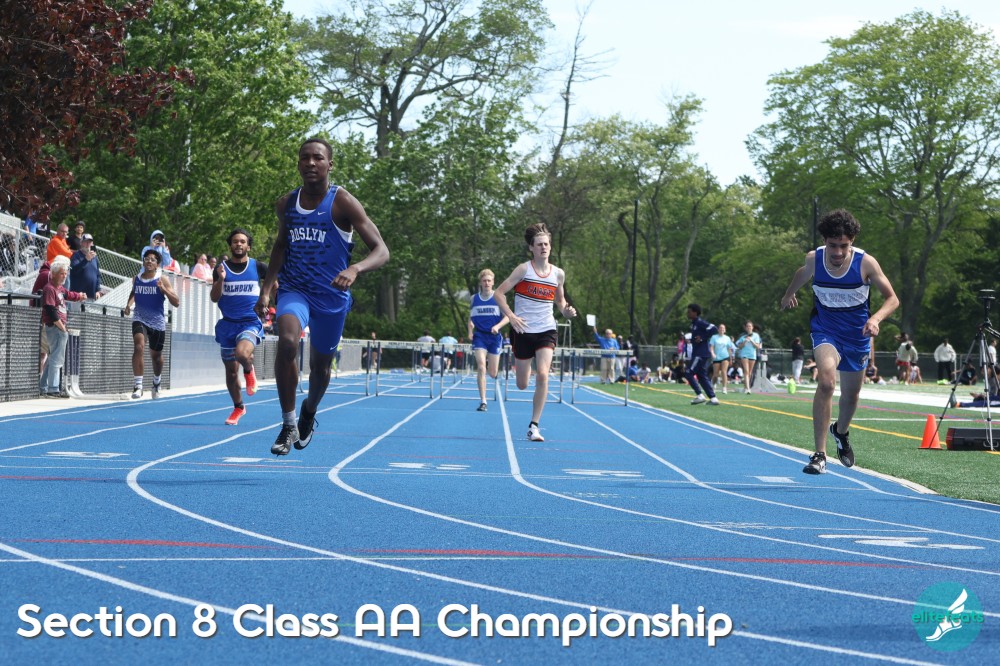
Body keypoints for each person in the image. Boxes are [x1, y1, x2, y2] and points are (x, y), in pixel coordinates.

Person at [255, 137, 390, 456]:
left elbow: (382, 250)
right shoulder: (286, 204)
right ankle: (288, 423)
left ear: (330, 164)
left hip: (331, 297)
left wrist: (355, 268)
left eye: (317, 157)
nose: (311, 163)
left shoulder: (342, 202)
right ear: (298, 164)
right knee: (288, 343)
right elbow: (280, 246)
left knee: (320, 369)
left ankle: (309, 411)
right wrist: (266, 289)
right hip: (295, 290)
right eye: (305, 157)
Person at [780, 208, 899, 475]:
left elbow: (893, 299)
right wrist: (789, 294)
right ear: (825, 241)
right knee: (826, 382)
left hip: (857, 335)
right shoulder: (814, 259)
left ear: (852, 241)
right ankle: (819, 454)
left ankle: (841, 431)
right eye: (832, 245)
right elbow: (801, 273)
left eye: (843, 246)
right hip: (826, 330)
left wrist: (876, 319)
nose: (837, 252)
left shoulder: (866, 263)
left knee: (851, 394)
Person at [493, 222, 576, 442]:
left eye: (546, 244)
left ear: (550, 246)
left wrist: (566, 312)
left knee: (543, 374)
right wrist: (511, 316)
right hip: (522, 330)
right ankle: (523, 366)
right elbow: (498, 293)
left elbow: (560, 301)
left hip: (546, 329)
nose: (543, 247)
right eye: (539, 244)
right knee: (522, 384)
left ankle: (534, 426)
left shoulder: (558, 274)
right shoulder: (523, 270)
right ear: (531, 247)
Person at [211, 228, 270, 425]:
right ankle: (238, 407)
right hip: (228, 324)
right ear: (230, 245)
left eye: (242, 241)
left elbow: (274, 282)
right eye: (235, 241)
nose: (239, 244)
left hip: (250, 321)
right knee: (230, 372)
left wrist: (266, 298)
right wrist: (221, 279)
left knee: (242, 354)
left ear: (248, 246)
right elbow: (214, 297)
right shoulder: (220, 268)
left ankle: (249, 371)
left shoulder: (258, 266)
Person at [124, 249, 181, 399]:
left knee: (156, 357)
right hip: (140, 318)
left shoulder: (162, 279)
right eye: (147, 259)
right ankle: (138, 385)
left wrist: (164, 290)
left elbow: (176, 302)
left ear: (157, 264)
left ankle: (156, 381)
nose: (149, 261)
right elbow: (134, 292)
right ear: (143, 262)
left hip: (157, 322)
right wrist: (128, 304)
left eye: (152, 259)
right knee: (139, 346)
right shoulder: (136, 279)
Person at [39, 257, 86, 397]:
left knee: (52, 357)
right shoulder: (49, 288)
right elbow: (50, 309)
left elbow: (69, 294)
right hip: (55, 327)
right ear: (53, 274)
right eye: (61, 273)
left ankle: (43, 386)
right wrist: (61, 326)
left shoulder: (59, 288)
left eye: (65, 273)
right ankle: (53, 388)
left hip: (58, 327)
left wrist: (79, 296)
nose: (64, 276)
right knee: (57, 359)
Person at [467, 268, 510, 411]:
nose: (486, 283)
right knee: (481, 367)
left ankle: (490, 364)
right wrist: (470, 331)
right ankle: (483, 401)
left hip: (494, 337)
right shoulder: (474, 299)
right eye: (484, 280)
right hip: (480, 336)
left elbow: (508, 317)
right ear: (480, 282)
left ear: (493, 282)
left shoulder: (499, 297)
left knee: (493, 373)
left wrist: (497, 326)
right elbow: (471, 317)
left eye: (489, 280)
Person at [684, 303, 720, 405]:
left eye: (689, 312)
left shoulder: (700, 322)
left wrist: (703, 337)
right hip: (699, 353)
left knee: (688, 373)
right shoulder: (694, 324)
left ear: (695, 312)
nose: (687, 313)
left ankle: (700, 395)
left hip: (700, 354)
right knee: (701, 376)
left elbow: (714, 328)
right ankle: (713, 398)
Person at [69, 233, 100, 299]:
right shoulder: (76, 255)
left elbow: (98, 275)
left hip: (92, 296)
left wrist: (97, 290)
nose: (88, 244)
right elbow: (74, 271)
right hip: (78, 296)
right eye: (86, 242)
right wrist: (86, 260)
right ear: (81, 243)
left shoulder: (95, 257)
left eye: (90, 242)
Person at [734, 320, 762, 393]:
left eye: (750, 326)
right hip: (744, 355)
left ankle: (745, 386)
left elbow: (758, 347)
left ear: (752, 327)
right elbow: (739, 346)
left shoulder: (756, 335)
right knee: (746, 371)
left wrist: (752, 341)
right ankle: (748, 388)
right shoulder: (743, 336)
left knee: (749, 372)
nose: (749, 327)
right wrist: (745, 341)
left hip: (752, 355)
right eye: (747, 326)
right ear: (746, 328)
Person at [709, 323, 735, 394]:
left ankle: (724, 387)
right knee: (716, 374)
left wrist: (731, 358)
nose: (722, 329)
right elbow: (711, 347)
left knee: (724, 372)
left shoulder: (727, 338)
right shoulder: (714, 337)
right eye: (720, 328)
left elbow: (729, 349)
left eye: (723, 328)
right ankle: (713, 385)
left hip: (725, 357)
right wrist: (712, 353)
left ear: (725, 330)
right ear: (718, 329)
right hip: (716, 357)